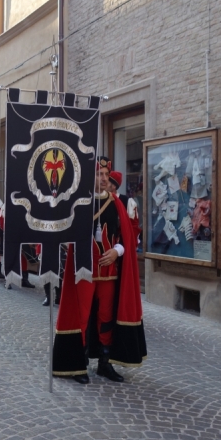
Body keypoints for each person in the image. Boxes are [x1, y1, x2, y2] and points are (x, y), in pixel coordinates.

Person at [52, 156, 146, 384]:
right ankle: (78, 364)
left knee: (106, 318)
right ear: (90, 177)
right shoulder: (78, 202)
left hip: (109, 272)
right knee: (81, 316)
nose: (103, 179)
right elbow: (62, 232)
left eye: (106, 175)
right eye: (98, 174)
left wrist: (117, 251)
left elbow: (127, 238)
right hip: (84, 271)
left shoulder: (117, 203)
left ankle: (105, 363)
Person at [109, 170, 141, 242]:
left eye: (107, 182)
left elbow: (134, 226)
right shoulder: (100, 200)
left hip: (120, 245)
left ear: (114, 186)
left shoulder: (127, 201)